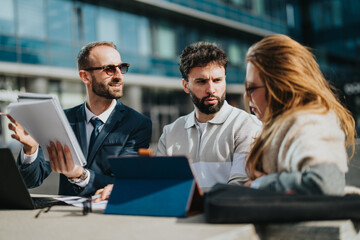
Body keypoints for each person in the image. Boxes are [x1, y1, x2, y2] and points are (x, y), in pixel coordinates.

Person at [94, 42, 261, 201]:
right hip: (179, 222)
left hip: (221, 222)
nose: (211, 89)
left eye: (217, 80)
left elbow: (240, 187)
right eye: (201, 81)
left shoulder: (247, 126)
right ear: (186, 85)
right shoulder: (171, 131)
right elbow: (158, 182)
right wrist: (123, 189)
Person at [7, 41, 152, 196]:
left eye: (121, 67)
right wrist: (31, 149)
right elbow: (30, 181)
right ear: (85, 77)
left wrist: (79, 174)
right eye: (109, 69)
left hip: (109, 216)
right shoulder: (62, 119)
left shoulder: (138, 124)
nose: (118, 75)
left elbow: (125, 183)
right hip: (66, 217)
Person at [243, 34, 356, 195]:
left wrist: (261, 184)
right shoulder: (287, 125)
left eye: (252, 88)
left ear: (279, 86)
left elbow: (325, 183)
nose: (247, 97)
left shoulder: (309, 121)